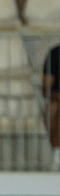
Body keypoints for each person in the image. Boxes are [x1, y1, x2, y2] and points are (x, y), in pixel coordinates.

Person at [41, 42, 60, 170]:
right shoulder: (55, 53)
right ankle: (57, 154)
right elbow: (46, 90)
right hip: (58, 99)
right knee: (52, 108)